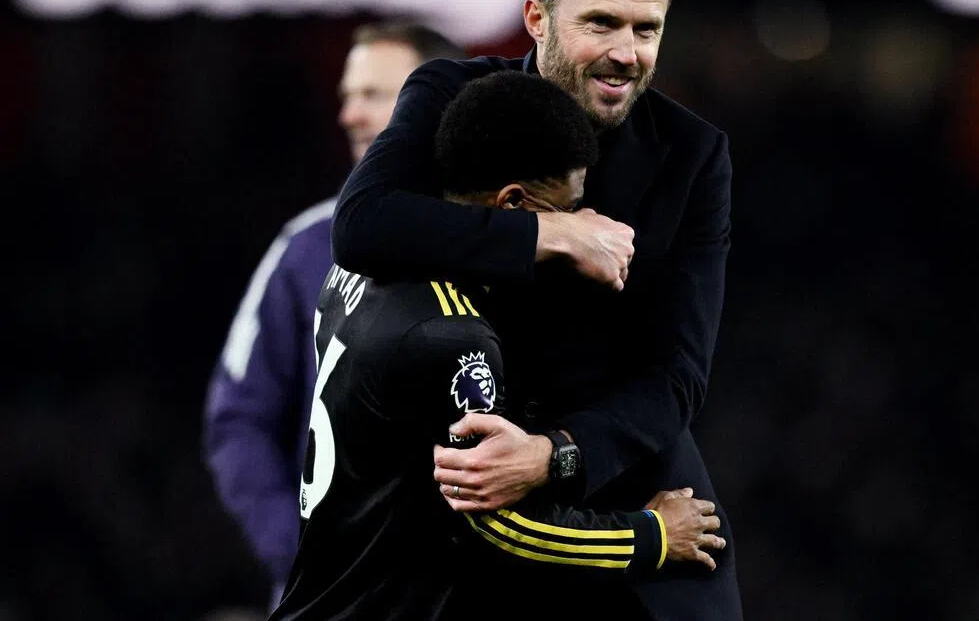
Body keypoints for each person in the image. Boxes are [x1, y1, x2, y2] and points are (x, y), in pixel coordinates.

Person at [331, 0, 741, 620]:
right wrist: (552, 236)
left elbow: (678, 377)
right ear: (537, 18)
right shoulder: (446, 96)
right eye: (601, 24)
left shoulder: (692, 156)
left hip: (627, 503)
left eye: (647, 29)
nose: (627, 53)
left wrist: (555, 456)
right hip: (468, 504)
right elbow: (364, 224)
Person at [268, 71, 724, 620]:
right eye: (570, 207)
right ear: (512, 204)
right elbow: (496, 523)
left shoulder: (356, 273)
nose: (585, 222)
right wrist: (649, 536)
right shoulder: (458, 339)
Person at [201, 21, 466, 603]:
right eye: (347, 96)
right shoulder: (304, 249)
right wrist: (298, 555)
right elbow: (238, 419)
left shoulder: (515, 242)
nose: (349, 115)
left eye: (373, 94)